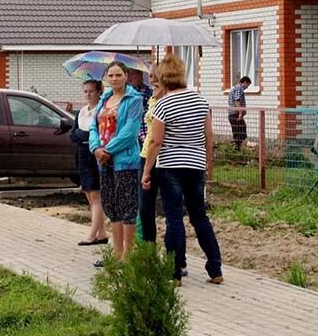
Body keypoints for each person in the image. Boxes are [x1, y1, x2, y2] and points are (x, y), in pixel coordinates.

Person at [142, 53, 223, 285]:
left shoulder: (163, 104)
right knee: (200, 217)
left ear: (163, 78)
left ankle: (174, 273)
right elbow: (208, 136)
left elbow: (156, 142)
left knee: (174, 218)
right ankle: (215, 268)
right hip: (195, 165)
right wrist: (208, 164)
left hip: (170, 167)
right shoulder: (200, 101)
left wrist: (147, 171)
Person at [88, 62, 144, 262]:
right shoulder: (104, 100)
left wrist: (108, 150)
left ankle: (128, 255)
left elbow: (130, 132)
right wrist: (95, 148)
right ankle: (117, 252)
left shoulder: (134, 100)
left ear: (126, 76)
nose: (114, 79)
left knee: (127, 207)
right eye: (110, 75)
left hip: (124, 161)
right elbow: (94, 127)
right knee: (112, 206)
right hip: (104, 162)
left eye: (118, 75)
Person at [71, 79, 108, 246]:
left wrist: (85, 134)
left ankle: (92, 234)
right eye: (85, 91)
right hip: (82, 153)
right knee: (87, 192)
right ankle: (102, 233)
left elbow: (98, 134)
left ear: (99, 91)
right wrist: (84, 134)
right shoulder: (82, 112)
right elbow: (73, 134)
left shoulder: (101, 110)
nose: (88, 94)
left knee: (95, 195)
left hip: (95, 153)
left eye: (91, 91)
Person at [138, 65, 165, 245]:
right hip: (146, 154)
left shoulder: (167, 103)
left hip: (162, 157)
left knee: (170, 208)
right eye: (150, 78)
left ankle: (176, 259)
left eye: (155, 79)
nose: (151, 82)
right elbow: (148, 130)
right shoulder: (152, 101)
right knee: (144, 207)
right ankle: (148, 250)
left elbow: (157, 138)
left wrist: (147, 169)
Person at [228, 76, 251, 149]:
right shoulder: (239, 88)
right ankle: (234, 146)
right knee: (242, 133)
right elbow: (237, 100)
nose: (247, 87)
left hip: (232, 114)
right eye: (247, 85)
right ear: (244, 82)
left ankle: (236, 148)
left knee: (237, 133)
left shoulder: (235, 88)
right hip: (236, 114)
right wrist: (240, 113)